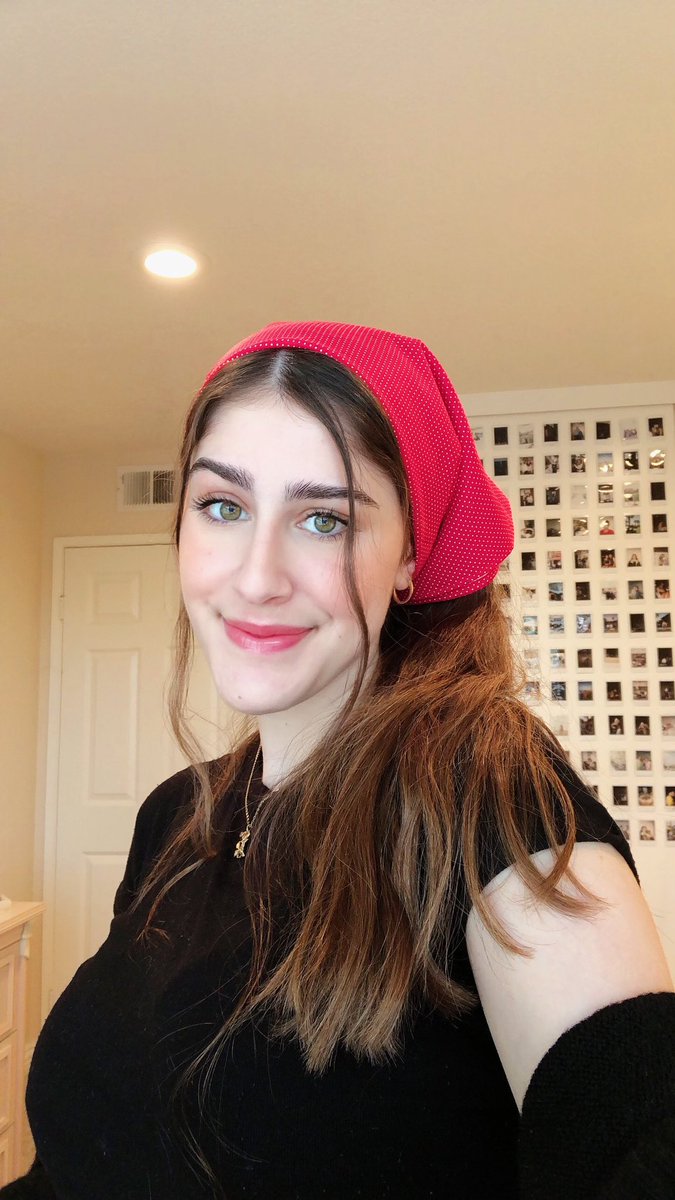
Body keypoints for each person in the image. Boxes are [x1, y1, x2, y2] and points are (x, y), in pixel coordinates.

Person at [4, 321, 674, 1200]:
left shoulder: (487, 791)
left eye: (324, 519)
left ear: (408, 557)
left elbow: (632, 1132)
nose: (256, 577)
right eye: (222, 506)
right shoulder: (174, 816)